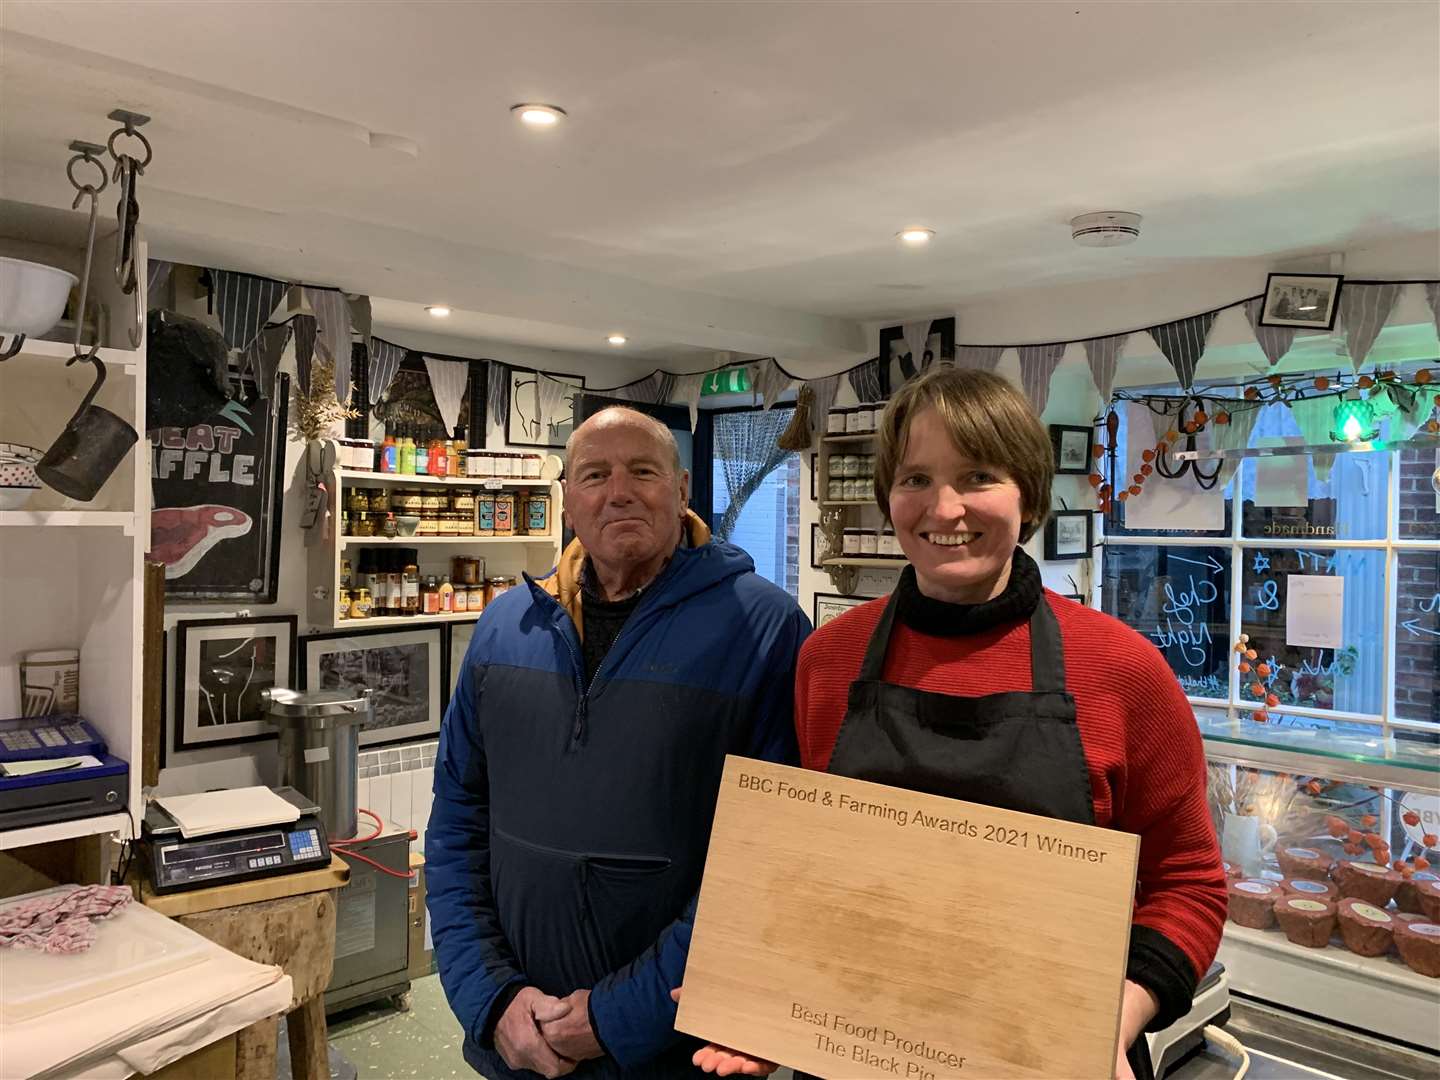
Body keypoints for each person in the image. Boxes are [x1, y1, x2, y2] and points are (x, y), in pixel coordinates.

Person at [686, 368, 1225, 1079]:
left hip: (1050, 1055)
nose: (944, 509)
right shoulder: (828, 660)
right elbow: (809, 871)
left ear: (1027, 491)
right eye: (914, 478)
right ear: (888, 497)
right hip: (855, 1047)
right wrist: (765, 994)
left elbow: (1188, 881)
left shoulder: (1123, 670)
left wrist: (1109, 1024)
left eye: (976, 475)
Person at [427, 405, 810, 1080]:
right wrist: (490, 999)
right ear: (568, 498)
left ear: (683, 489)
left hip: (676, 1049)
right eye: (595, 474)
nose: (619, 491)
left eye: (643, 470)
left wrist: (616, 1018)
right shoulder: (504, 628)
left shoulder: (763, 627)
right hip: (517, 1040)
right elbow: (456, 823)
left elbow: (769, 862)